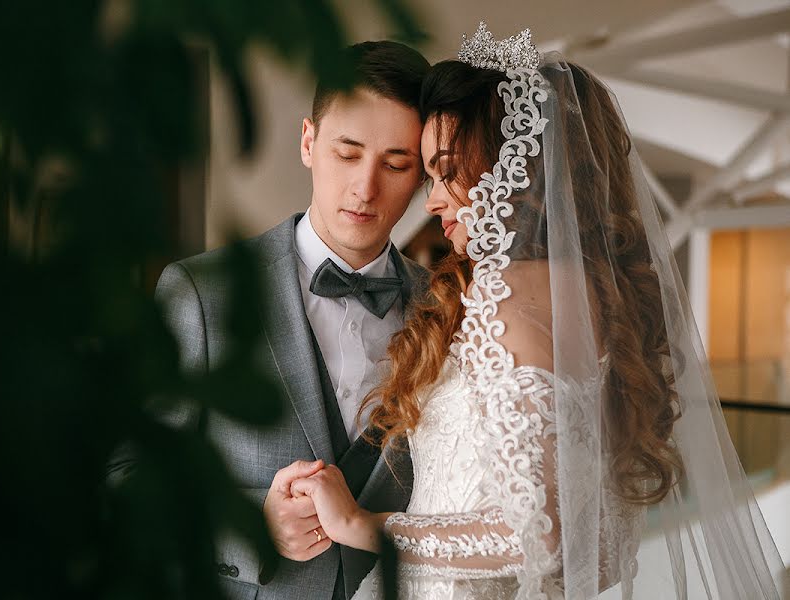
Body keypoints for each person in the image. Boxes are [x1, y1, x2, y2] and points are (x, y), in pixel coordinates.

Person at [290, 24, 785, 599]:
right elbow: (601, 552)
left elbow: (534, 537)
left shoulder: (507, 296)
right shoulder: (594, 303)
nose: (433, 199)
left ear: (514, 170)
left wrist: (359, 525)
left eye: (447, 170)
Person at [152, 41, 431, 600]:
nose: (365, 187)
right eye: (347, 154)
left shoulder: (449, 310)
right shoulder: (201, 293)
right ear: (308, 142)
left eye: (395, 164)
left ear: (423, 172)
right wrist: (250, 526)